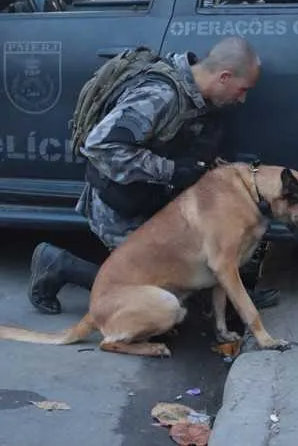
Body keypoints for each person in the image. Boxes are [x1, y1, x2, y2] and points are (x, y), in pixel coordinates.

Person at [28, 37, 281, 315]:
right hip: (119, 205)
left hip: (153, 198)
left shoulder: (198, 96)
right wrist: (171, 170)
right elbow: (101, 147)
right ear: (224, 77)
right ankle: (58, 264)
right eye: (242, 89)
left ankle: (230, 295)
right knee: (160, 293)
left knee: (194, 266)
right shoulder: (160, 95)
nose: (242, 99)